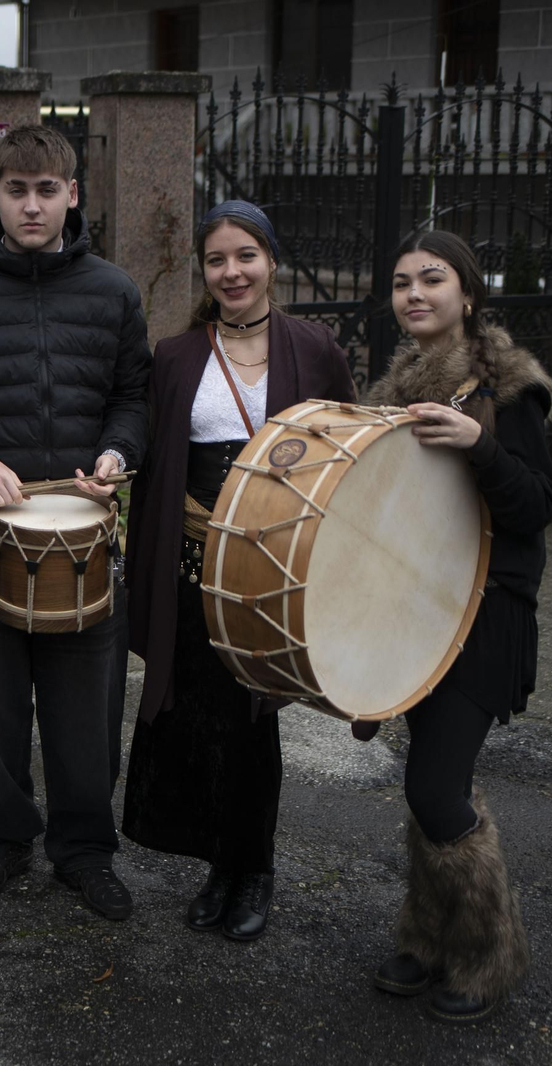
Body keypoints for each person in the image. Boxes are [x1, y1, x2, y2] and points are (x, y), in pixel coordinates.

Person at [0, 125, 149, 920]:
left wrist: (118, 454)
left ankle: (85, 851)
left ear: (72, 195)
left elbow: (133, 396)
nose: (31, 205)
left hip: (85, 538)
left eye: (47, 190)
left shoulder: (113, 291)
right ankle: (5, 837)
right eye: (16, 190)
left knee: (86, 711)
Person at [120, 200, 357, 941]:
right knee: (195, 713)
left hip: (273, 569)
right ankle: (217, 867)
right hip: (192, 566)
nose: (232, 272)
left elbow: (350, 449)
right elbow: (152, 458)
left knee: (252, 723)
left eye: (246, 256)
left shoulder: (314, 347)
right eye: (217, 260)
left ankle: (255, 870)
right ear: (204, 270)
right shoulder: (175, 356)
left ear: (271, 261)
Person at [359, 228, 552, 1023]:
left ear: (467, 295)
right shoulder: (391, 395)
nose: (414, 293)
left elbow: (537, 507)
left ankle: (485, 956)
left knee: (435, 785)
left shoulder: (511, 390)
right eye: (402, 281)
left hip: (487, 611)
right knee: (429, 778)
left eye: (432, 278)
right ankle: (427, 935)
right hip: (417, 608)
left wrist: (481, 445)